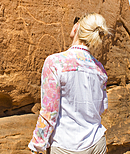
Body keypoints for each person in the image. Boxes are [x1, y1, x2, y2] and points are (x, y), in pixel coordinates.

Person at [28, 13, 110, 154]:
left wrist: (37, 146)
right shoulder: (99, 68)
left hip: (66, 146)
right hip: (97, 143)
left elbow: (49, 111)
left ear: (76, 28)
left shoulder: (55, 63)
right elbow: (103, 108)